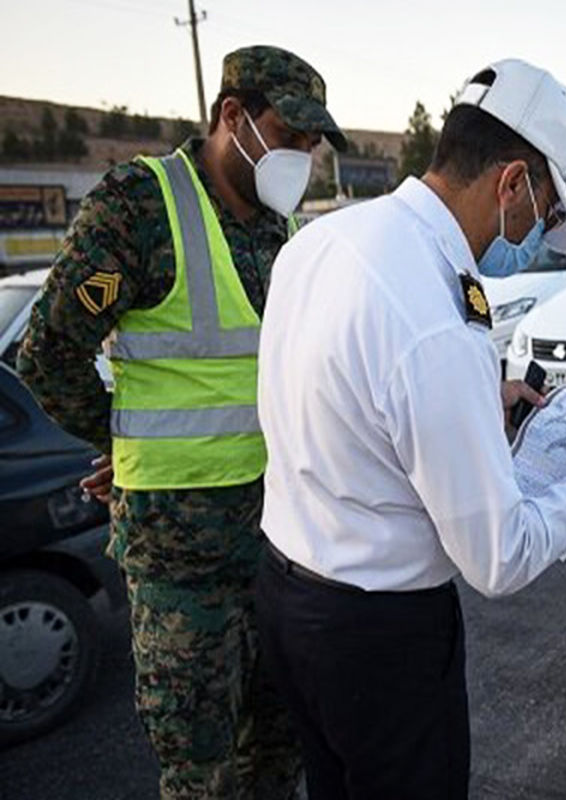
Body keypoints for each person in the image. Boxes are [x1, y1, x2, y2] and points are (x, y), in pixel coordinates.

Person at [253, 58, 566, 799]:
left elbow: (339, 399)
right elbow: (499, 559)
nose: (538, 233)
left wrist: (474, 399)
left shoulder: (322, 241)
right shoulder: (437, 318)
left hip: (288, 600)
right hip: (379, 643)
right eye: (545, 212)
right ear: (511, 182)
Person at [17, 45, 346, 798]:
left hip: (280, 545)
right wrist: (119, 436)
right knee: (202, 775)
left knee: (280, 752)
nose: (301, 155)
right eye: (289, 135)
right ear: (233, 116)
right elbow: (47, 354)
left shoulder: (276, 228)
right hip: (180, 565)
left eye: (311, 144)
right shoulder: (137, 205)